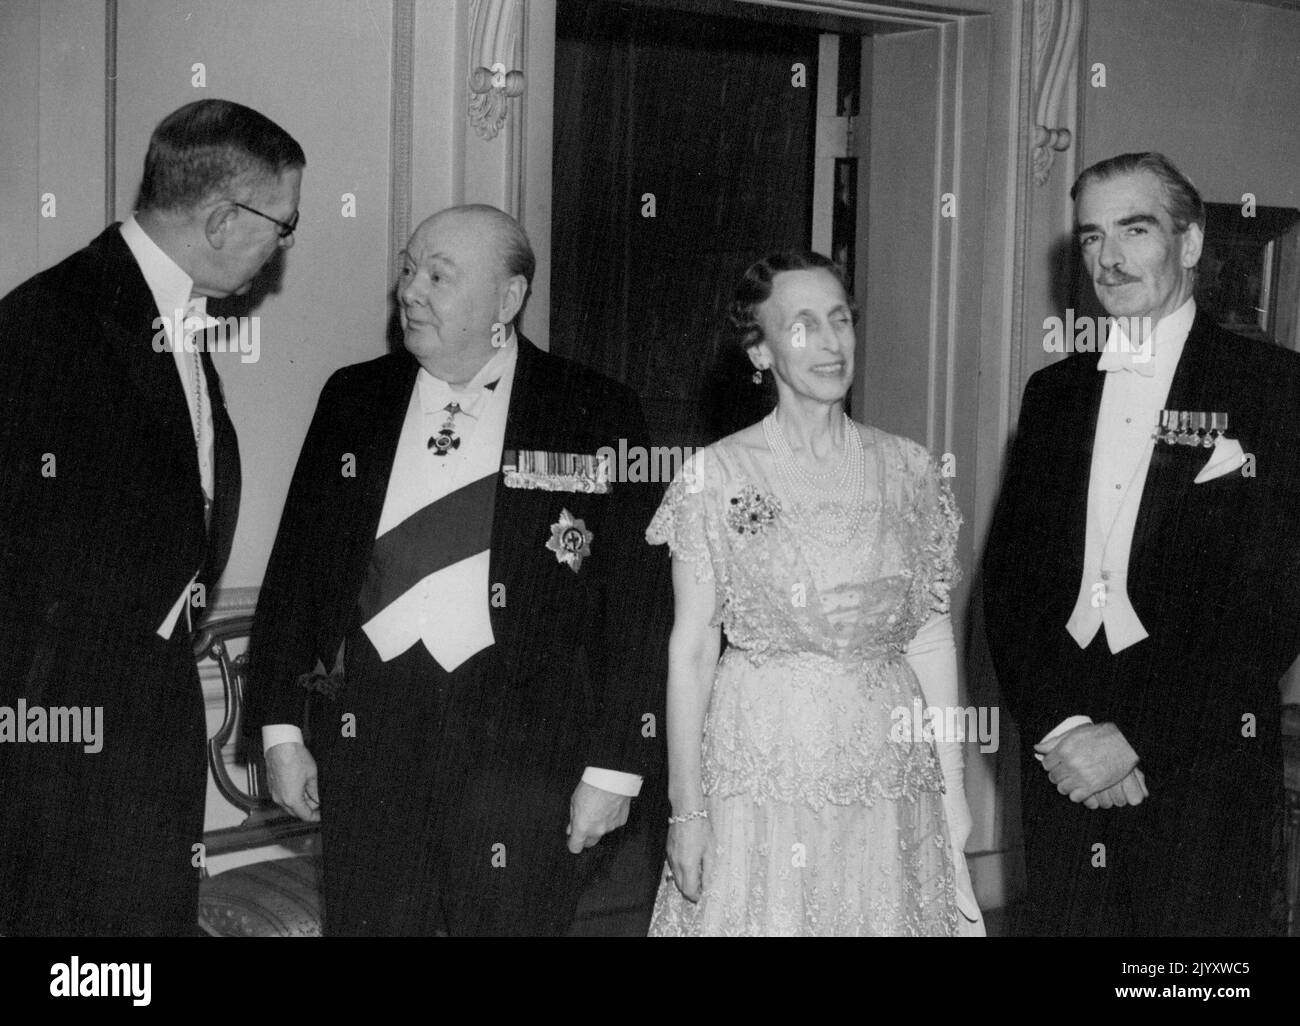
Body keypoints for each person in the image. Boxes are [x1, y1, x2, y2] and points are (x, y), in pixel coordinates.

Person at [245, 204, 670, 936]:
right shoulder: (353, 399)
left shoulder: (593, 410)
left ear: (508, 299)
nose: (409, 290)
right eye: (409, 268)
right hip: (369, 741)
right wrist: (280, 730)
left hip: (527, 762)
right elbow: (295, 574)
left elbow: (636, 608)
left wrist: (615, 768)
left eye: (438, 276)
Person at [0, 98, 304, 935]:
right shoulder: (47, 326)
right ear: (220, 217)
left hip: (147, 709)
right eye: (284, 222)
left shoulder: (176, 314)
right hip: (59, 728)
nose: (285, 245)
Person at [983, 152, 1300, 936]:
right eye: (1092, 237)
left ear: (1189, 245)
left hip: (1203, 757)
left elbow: (1273, 606)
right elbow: (1011, 584)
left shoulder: (1274, 387)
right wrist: (1060, 730)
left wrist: (1133, 739)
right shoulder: (1053, 393)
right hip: (1064, 764)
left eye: (1135, 228)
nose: (1109, 258)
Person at [647, 251, 983, 935]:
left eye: (840, 320)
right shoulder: (717, 474)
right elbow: (692, 649)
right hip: (761, 766)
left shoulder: (909, 469)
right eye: (802, 326)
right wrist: (688, 812)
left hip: (886, 773)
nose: (830, 343)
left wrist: (952, 796)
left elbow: (931, 637)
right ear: (759, 350)